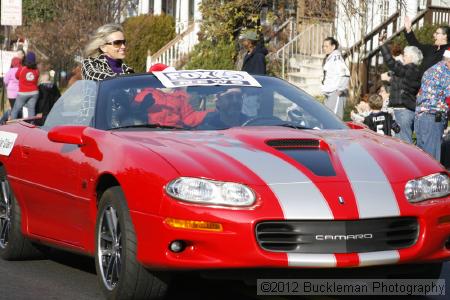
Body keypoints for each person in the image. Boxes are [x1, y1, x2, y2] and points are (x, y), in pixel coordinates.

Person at [379, 32, 422, 143]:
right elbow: (404, 84)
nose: (403, 56)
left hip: (404, 111)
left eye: (406, 55)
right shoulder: (413, 70)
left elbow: (391, 63)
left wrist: (383, 45)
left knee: (404, 142)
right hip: (405, 110)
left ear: (412, 58)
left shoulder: (410, 69)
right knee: (401, 141)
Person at [414, 47, 450, 161]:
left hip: (421, 117)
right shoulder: (446, 73)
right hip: (433, 118)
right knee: (432, 160)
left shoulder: (431, 69)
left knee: (423, 158)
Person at [321, 37, 350, 119]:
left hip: (336, 94)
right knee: (327, 118)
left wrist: (339, 90)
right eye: (323, 46)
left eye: (326, 46)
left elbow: (346, 74)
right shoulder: (330, 58)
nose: (324, 48)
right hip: (330, 93)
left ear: (333, 47)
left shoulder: (336, 59)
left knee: (334, 119)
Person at [9, 52, 40, 120]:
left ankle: (12, 125)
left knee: (15, 110)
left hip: (23, 93)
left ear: (26, 59)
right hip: (34, 93)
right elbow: (37, 78)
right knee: (31, 110)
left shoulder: (22, 68)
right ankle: (31, 125)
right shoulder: (37, 70)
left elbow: (16, 76)